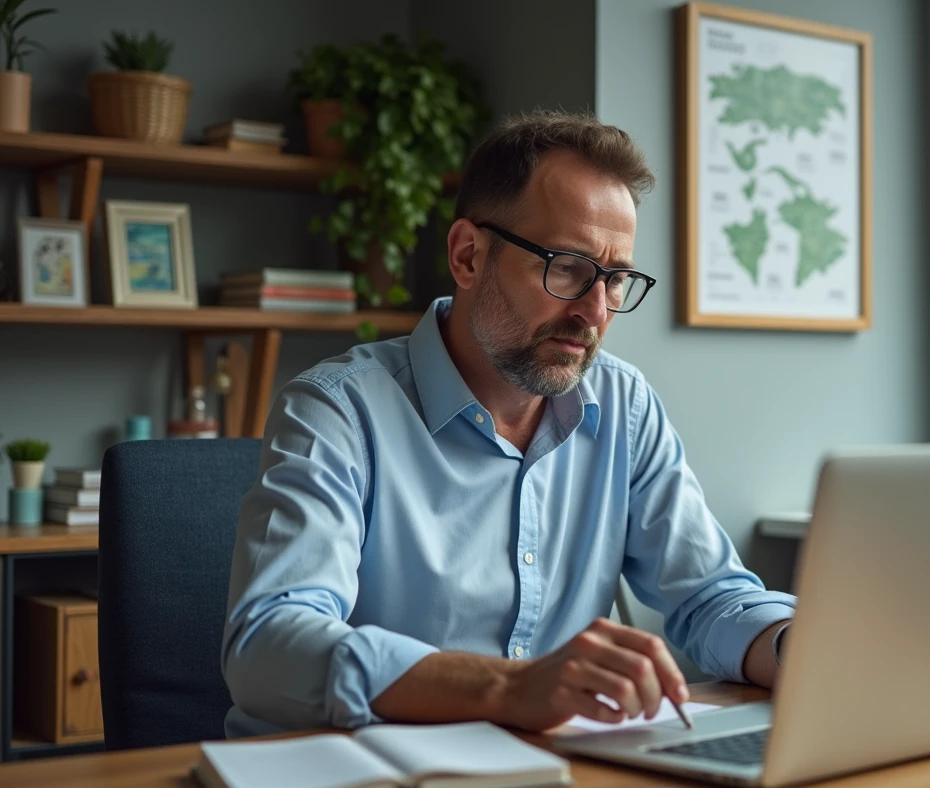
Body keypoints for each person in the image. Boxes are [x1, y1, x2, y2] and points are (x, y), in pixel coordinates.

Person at [221, 110, 795, 738]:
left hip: (553, 773)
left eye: (616, 278)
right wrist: (509, 688)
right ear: (468, 256)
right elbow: (267, 646)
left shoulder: (624, 405)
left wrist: (803, 650)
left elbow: (711, 596)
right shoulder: (336, 411)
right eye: (568, 267)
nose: (595, 312)